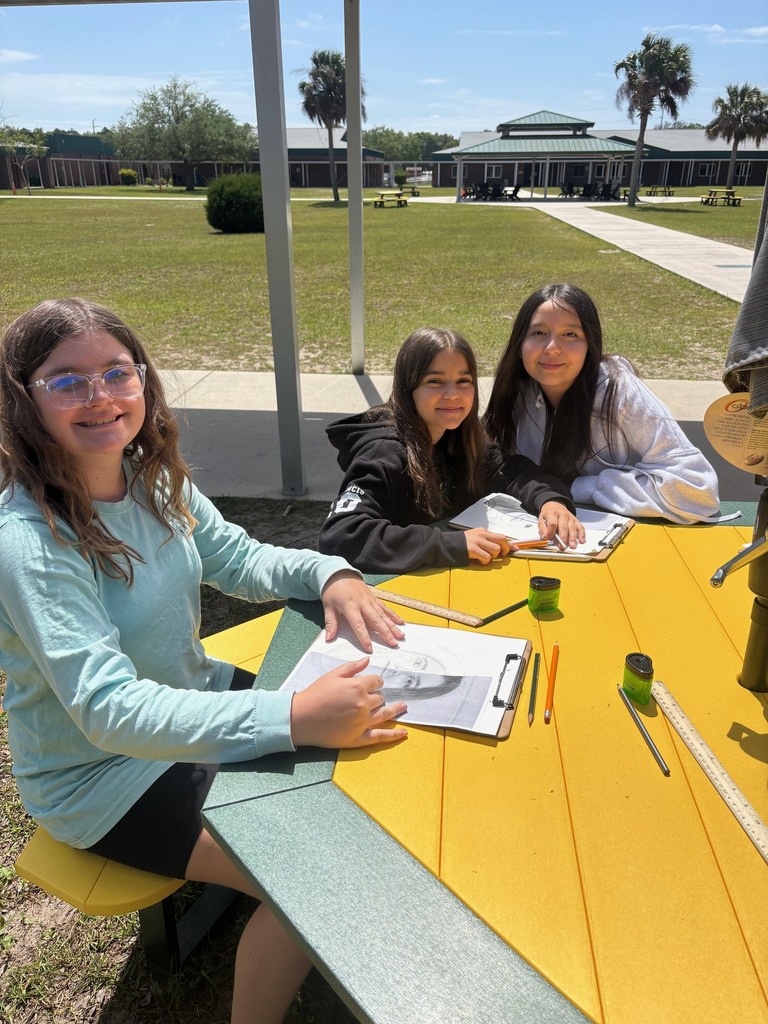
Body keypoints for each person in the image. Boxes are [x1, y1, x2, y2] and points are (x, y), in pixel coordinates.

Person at [0, 298, 410, 1024]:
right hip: (101, 777)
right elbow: (109, 712)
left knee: (367, 747)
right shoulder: (29, 542)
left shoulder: (151, 477)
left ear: (144, 382)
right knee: (314, 875)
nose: (99, 396)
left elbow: (241, 559)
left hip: (197, 699)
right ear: (21, 399)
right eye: (66, 381)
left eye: (117, 373)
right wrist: (292, 716)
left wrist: (331, 574)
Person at [318, 327, 583, 574]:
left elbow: (514, 471)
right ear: (407, 388)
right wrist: (451, 544)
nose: (452, 394)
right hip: (389, 593)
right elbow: (341, 535)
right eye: (435, 381)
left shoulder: (457, 437)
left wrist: (551, 501)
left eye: (463, 381)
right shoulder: (384, 452)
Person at [484, 283, 721, 524]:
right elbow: (495, 467)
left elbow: (699, 493)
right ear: (519, 344)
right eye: (538, 333)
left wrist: (580, 487)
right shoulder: (516, 391)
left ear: (590, 345)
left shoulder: (620, 393)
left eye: (570, 334)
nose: (552, 348)